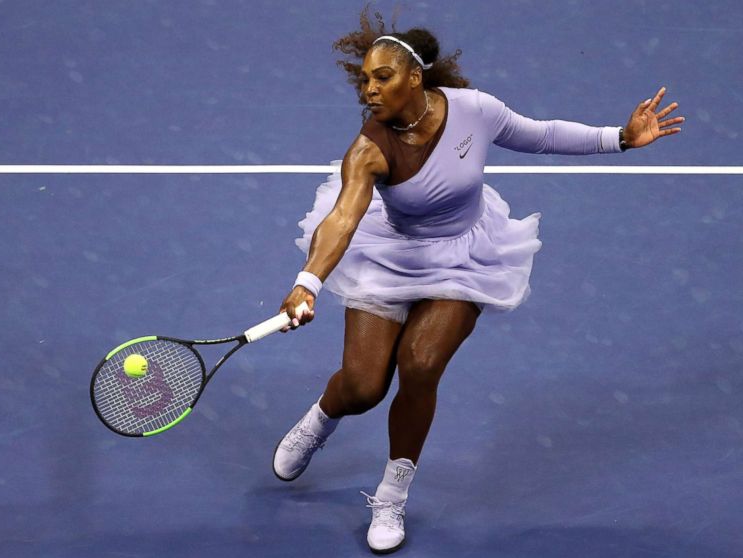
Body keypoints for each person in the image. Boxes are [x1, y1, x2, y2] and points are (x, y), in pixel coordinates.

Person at [273, 9, 683, 554]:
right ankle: (321, 418)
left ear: (415, 78)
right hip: (390, 253)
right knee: (365, 387)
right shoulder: (370, 149)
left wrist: (621, 139)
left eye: (382, 77)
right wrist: (308, 282)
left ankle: (392, 495)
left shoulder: (474, 110)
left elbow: (540, 136)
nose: (368, 90)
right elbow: (344, 217)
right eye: (365, 80)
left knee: (420, 364)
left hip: (464, 256)